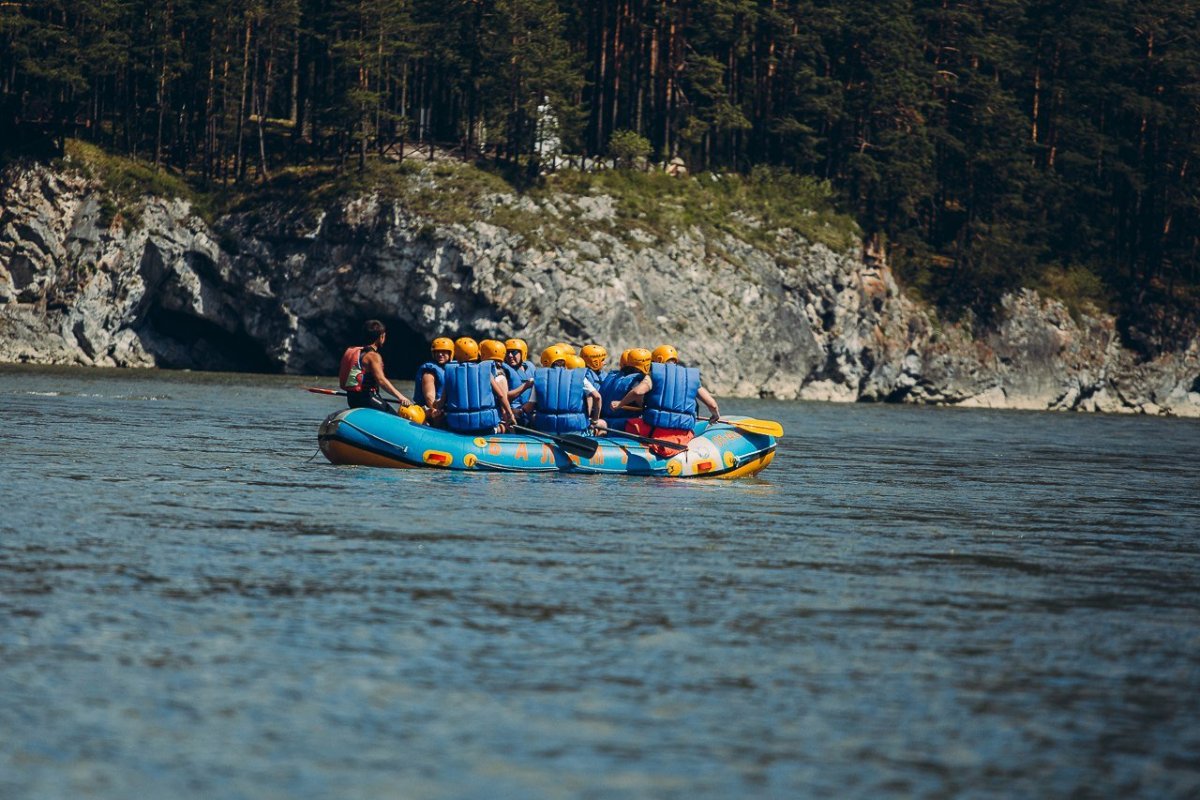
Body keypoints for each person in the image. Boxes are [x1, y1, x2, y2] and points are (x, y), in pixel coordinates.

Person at [613, 344, 719, 455]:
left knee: (612, 424)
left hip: (654, 430)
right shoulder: (691, 377)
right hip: (682, 434)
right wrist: (715, 415)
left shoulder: (654, 374)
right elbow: (712, 405)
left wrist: (620, 404)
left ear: (658, 360)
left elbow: (637, 392)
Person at [521, 344, 605, 434]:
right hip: (573, 430)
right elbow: (597, 397)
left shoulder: (539, 378)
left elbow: (529, 407)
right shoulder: (579, 377)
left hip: (547, 429)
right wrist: (594, 420)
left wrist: (520, 411)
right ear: (565, 362)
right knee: (603, 424)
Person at [438, 344, 517, 435]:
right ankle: (502, 429)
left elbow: (441, 403)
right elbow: (501, 395)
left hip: (458, 427)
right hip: (484, 427)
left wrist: (435, 405)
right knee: (502, 428)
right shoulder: (485, 371)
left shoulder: (451, 373)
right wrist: (510, 415)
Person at [338, 320, 414, 413]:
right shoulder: (373, 356)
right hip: (367, 399)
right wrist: (401, 397)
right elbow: (381, 380)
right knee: (395, 416)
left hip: (352, 399)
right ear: (381, 337)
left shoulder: (353, 351)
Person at [599, 347, 651, 431]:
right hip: (621, 423)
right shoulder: (637, 379)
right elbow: (639, 397)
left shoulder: (612, 375)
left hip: (603, 419)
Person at [414, 336, 454, 422]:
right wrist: (435, 410)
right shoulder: (429, 372)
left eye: (443, 351)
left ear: (451, 353)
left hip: (445, 409)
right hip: (429, 410)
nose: (440, 354)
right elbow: (429, 395)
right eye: (437, 352)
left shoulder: (450, 370)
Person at [501, 338, 536, 422]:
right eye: (507, 352)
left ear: (522, 353)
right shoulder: (503, 370)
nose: (509, 355)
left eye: (513, 352)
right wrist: (526, 386)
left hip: (531, 411)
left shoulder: (530, 366)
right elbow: (502, 397)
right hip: (514, 412)